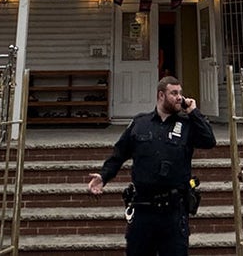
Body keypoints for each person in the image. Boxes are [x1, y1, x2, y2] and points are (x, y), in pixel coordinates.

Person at [87, 76, 215, 256]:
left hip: (174, 211)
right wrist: (104, 176)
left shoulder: (186, 125)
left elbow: (209, 141)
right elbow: (119, 154)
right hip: (143, 210)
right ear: (161, 95)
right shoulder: (140, 123)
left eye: (180, 93)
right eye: (174, 93)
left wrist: (194, 112)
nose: (179, 97)